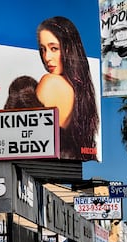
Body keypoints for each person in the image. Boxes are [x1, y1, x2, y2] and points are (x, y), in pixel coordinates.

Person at [35, 16, 99, 160]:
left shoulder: (51, 83)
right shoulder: (82, 93)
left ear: (69, 48)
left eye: (54, 48)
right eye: (43, 49)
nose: (47, 57)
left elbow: (23, 131)